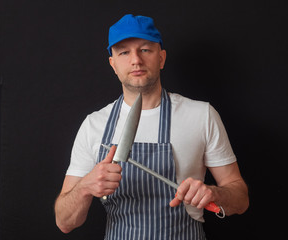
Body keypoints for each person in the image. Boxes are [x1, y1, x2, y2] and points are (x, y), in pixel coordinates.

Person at [54, 14, 249, 239]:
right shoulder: (94, 125)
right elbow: (64, 222)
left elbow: (241, 200)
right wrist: (85, 187)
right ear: (113, 64)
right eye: (124, 52)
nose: (136, 60)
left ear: (162, 58)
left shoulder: (201, 115)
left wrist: (213, 193)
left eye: (145, 49)